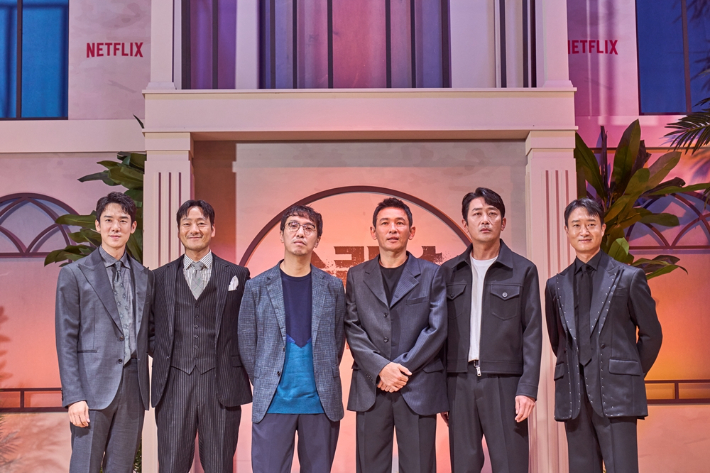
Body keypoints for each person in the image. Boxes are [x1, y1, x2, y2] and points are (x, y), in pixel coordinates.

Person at [545, 198, 662, 473]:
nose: (584, 231)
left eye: (591, 224)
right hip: (574, 397)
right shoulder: (555, 285)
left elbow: (652, 335)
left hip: (617, 395)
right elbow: (557, 341)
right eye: (576, 225)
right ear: (567, 231)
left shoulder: (629, 278)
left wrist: (627, 375)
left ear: (602, 228)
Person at [440, 187, 542, 473]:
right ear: (465, 223)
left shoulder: (523, 270)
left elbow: (533, 333)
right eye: (477, 214)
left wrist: (528, 389)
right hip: (458, 383)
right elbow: (439, 334)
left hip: (505, 383)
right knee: (463, 466)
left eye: (492, 213)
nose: (485, 220)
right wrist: (440, 390)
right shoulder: (448, 272)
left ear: (503, 222)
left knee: (511, 465)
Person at [239, 204, 346, 473]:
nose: (300, 232)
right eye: (293, 226)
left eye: (309, 228)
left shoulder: (333, 287)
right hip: (273, 402)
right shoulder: (256, 287)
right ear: (282, 234)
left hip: (320, 403)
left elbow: (337, 342)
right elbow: (247, 341)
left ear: (317, 239)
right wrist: (265, 379)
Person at [345, 197, 447, 473]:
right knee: (370, 467)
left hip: (417, 384)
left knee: (419, 467)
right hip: (371, 385)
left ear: (411, 231)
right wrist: (381, 369)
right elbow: (352, 327)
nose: (392, 229)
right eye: (385, 223)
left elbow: (436, 328)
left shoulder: (432, 273)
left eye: (400, 223)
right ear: (373, 231)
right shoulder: (356, 275)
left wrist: (400, 369)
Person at [150, 199, 251, 472]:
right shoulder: (159, 278)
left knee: (219, 466)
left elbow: (247, 327)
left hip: (222, 385)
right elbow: (149, 330)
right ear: (179, 231)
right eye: (187, 224)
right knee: (171, 465)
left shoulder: (238, 275)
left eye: (201, 223)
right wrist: (169, 355)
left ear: (212, 229)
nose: (194, 229)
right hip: (174, 384)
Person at [56, 192, 153, 472]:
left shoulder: (145, 276)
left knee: (121, 468)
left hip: (133, 387)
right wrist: (74, 396)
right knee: (84, 466)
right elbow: (66, 340)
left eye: (123, 220)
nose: (115, 227)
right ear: (98, 225)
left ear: (133, 227)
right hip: (90, 389)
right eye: (108, 220)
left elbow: (149, 333)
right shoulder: (75, 274)